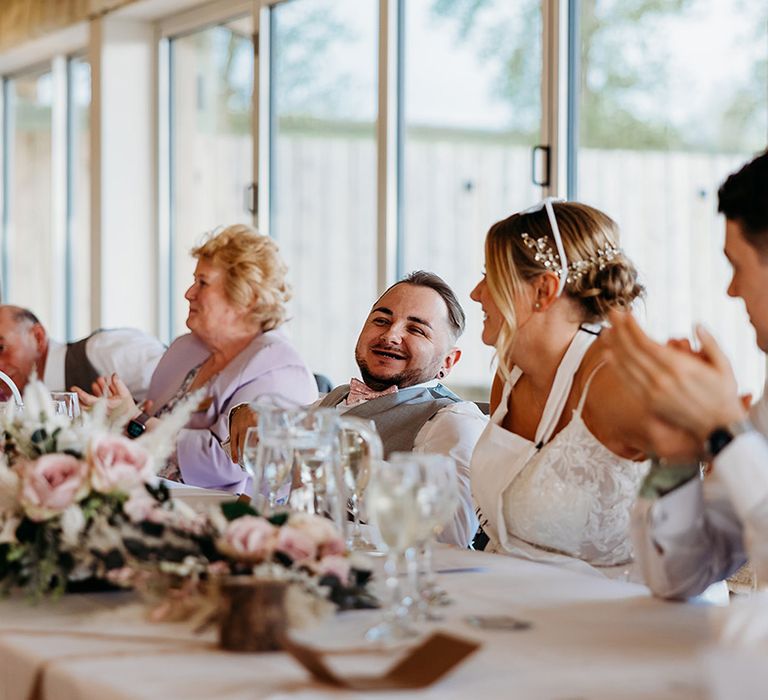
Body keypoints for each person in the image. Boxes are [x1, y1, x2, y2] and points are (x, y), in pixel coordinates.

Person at [606, 150, 768, 598]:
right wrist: (677, 455)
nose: (731, 289)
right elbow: (678, 577)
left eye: (737, 266)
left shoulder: (734, 428)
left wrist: (726, 434)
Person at [230, 271, 488, 547]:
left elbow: (452, 531)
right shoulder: (332, 399)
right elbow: (258, 458)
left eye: (416, 329)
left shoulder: (452, 421)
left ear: (448, 362)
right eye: (381, 320)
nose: (390, 335)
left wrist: (345, 469)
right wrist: (244, 414)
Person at [470, 199, 653, 577]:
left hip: (613, 616)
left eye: (490, 276)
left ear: (543, 289)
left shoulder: (618, 380)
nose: (476, 292)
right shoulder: (509, 374)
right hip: (507, 594)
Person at [78, 224, 318, 494]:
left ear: (246, 296)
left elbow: (229, 460)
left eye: (203, 283)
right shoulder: (187, 348)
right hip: (152, 493)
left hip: (223, 514)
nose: (189, 293)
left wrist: (136, 419)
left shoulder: (280, 366)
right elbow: (148, 426)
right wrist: (118, 419)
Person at [0, 305, 164, 403]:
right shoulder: (23, 402)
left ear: (38, 337)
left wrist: (136, 417)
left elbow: (180, 393)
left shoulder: (104, 350)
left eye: (1, 348)